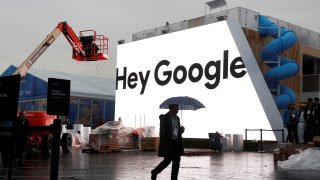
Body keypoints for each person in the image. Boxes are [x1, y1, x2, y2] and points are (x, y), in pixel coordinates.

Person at [151, 104, 185, 180]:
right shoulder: (165, 118)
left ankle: (174, 178)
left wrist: (181, 130)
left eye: (178, 108)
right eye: (176, 108)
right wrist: (165, 145)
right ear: (171, 108)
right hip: (169, 143)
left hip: (176, 143)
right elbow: (162, 132)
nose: (177, 110)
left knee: (176, 161)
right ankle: (155, 172)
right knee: (167, 161)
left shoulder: (177, 118)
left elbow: (176, 131)